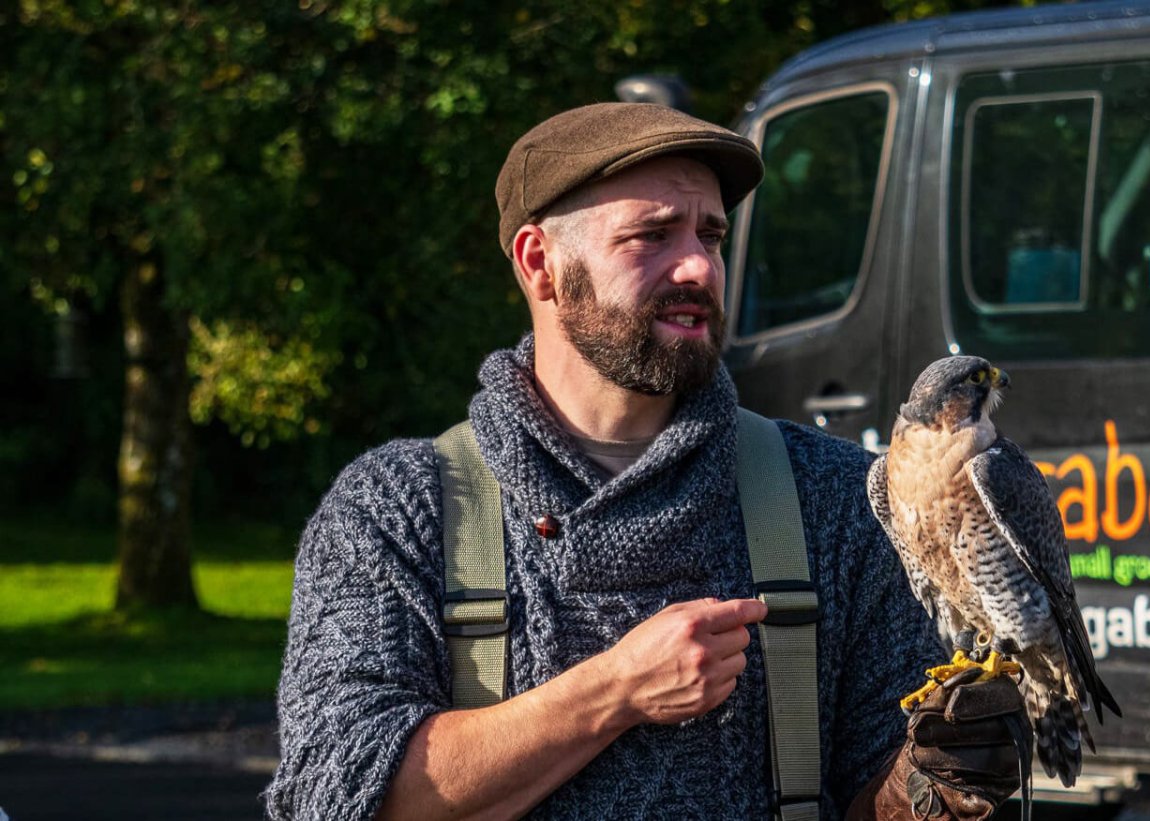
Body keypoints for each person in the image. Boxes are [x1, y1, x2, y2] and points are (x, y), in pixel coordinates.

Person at [264, 103, 1022, 820]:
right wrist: (619, 687)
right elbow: (337, 788)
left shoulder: (831, 496)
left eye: (711, 236)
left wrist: (931, 787)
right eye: (653, 235)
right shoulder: (398, 510)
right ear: (540, 265)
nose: (698, 267)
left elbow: (883, 792)